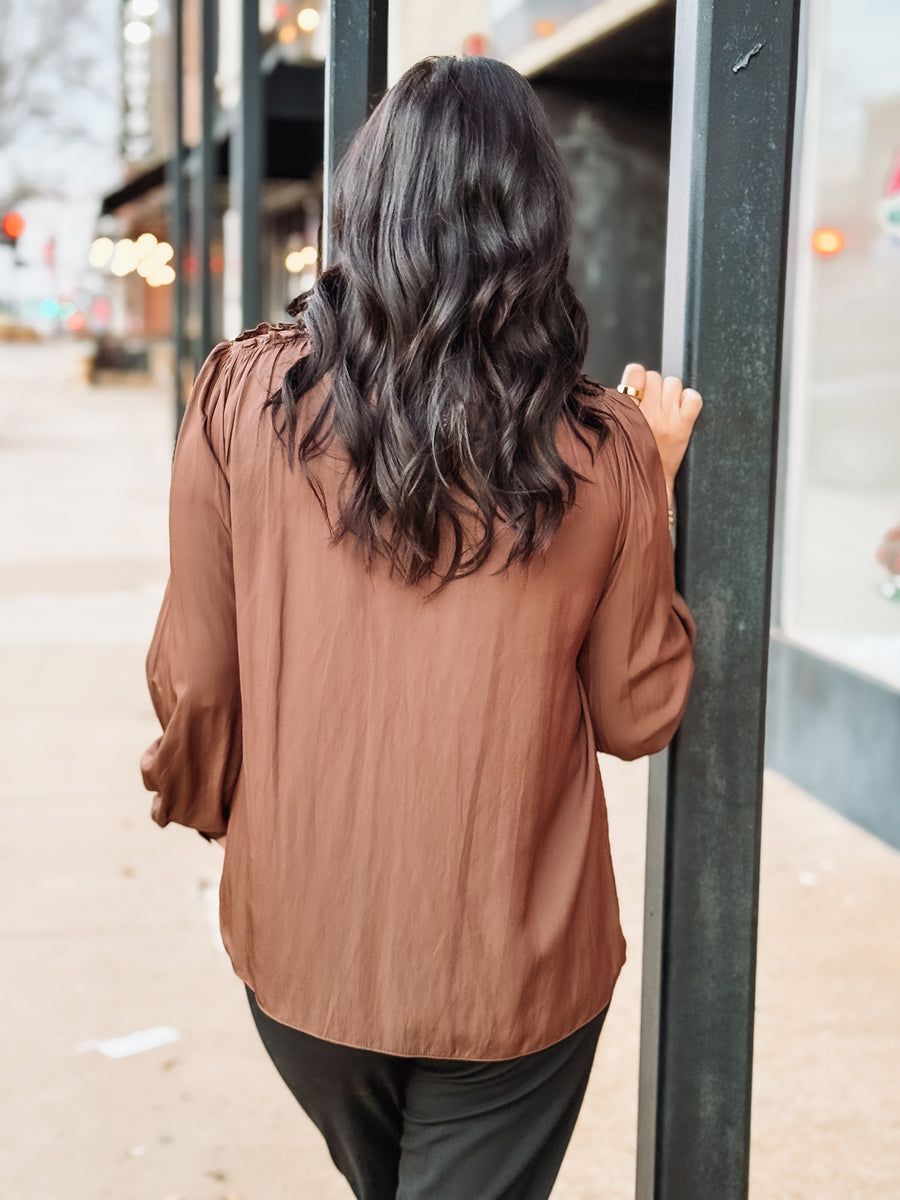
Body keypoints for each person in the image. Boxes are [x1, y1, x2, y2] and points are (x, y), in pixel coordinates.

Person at [141, 55, 701, 1200]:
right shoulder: (604, 450)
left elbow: (197, 681)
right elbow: (640, 714)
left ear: (366, 204)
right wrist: (656, 488)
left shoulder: (241, 398)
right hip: (516, 969)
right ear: (538, 227)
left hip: (303, 953)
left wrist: (214, 816)